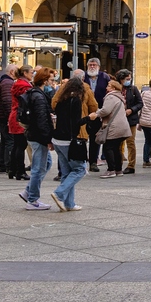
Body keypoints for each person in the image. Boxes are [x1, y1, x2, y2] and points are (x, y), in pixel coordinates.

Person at [50, 74, 98, 209]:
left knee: (66, 172)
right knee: (80, 169)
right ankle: (59, 193)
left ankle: (69, 204)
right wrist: (89, 117)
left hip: (57, 139)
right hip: (69, 140)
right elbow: (77, 122)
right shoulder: (76, 101)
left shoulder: (60, 100)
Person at [16, 69, 55, 209]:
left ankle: (28, 192)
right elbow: (41, 120)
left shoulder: (34, 93)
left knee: (47, 163)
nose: (52, 83)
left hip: (34, 134)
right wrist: (48, 139)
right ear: (45, 80)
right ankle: (32, 199)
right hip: (38, 136)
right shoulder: (38, 96)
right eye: (51, 80)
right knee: (38, 168)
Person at [96, 78, 132, 178]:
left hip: (114, 127)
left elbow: (106, 111)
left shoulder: (111, 97)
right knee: (116, 148)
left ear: (113, 88)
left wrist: (97, 113)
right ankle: (118, 169)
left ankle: (111, 170)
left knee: (108, 147)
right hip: (123, 126)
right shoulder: (120, 97)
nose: (106, 87)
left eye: (108, 86)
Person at [0, 66, 18, 177]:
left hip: (2, 115)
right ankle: (8, 165)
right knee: (9, 140)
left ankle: (3, 164)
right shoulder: (8, 83)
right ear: (12, 72)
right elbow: (8, 101)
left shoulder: (4, 81)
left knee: (4, 140)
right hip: (5, 116)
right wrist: (10, 117)